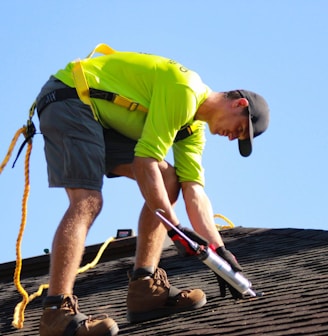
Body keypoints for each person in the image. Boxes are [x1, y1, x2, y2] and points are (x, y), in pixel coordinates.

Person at [35, 44, 269, 336]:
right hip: (71, 97)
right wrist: (174, 228)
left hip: (102, 117)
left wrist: (219, 250)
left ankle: (144, 289)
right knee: (88, 200)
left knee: (169, 179)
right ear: (240, 105)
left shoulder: (192, 130)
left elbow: (193, 192)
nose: (234, 138)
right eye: (241, 130)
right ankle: (56, 312)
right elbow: (145, 162)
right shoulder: (184, 89)